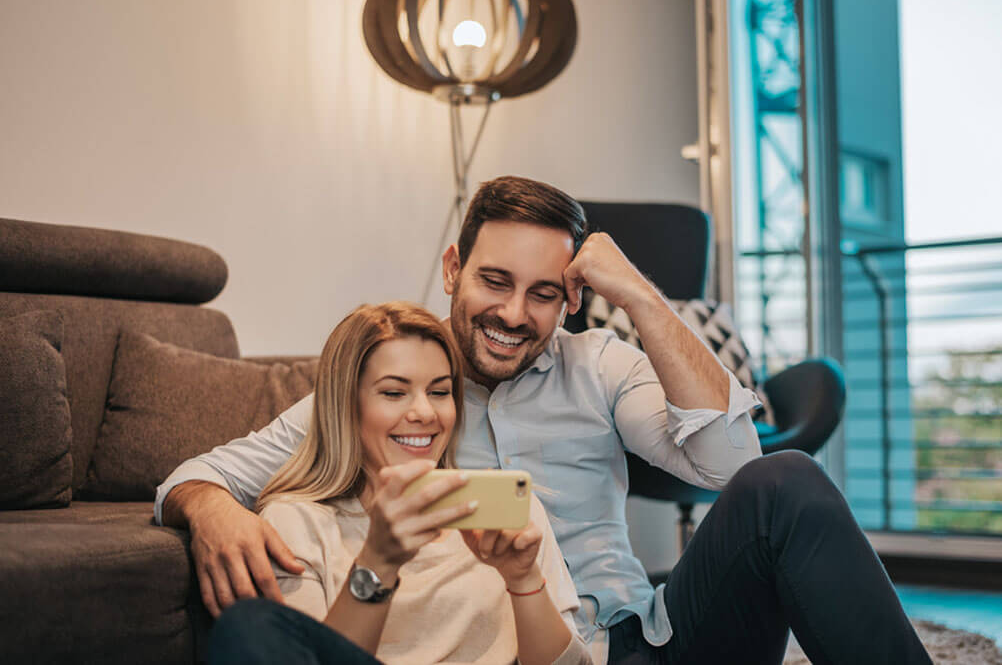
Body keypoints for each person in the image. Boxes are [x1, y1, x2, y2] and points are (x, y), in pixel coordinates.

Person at [158, 176, 931, 664]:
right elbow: (205, 472)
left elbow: (735, 467)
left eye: (543, 293)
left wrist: (636, 295)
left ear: (570, 299)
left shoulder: (598, 362)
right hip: (505, 652)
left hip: (648, 643)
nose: (512, 315)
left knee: (785, 480)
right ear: (454, 269)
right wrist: (208, 508)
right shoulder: (399, 388)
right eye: (494, 282)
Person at [208, 302, 590, 664]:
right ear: (346, 406)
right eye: (394, 393)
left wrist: (523, 580)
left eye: (440, 392)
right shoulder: (296, 523)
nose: (425, 412)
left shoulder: (509, 514)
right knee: (249, 625)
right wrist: (378, 562)